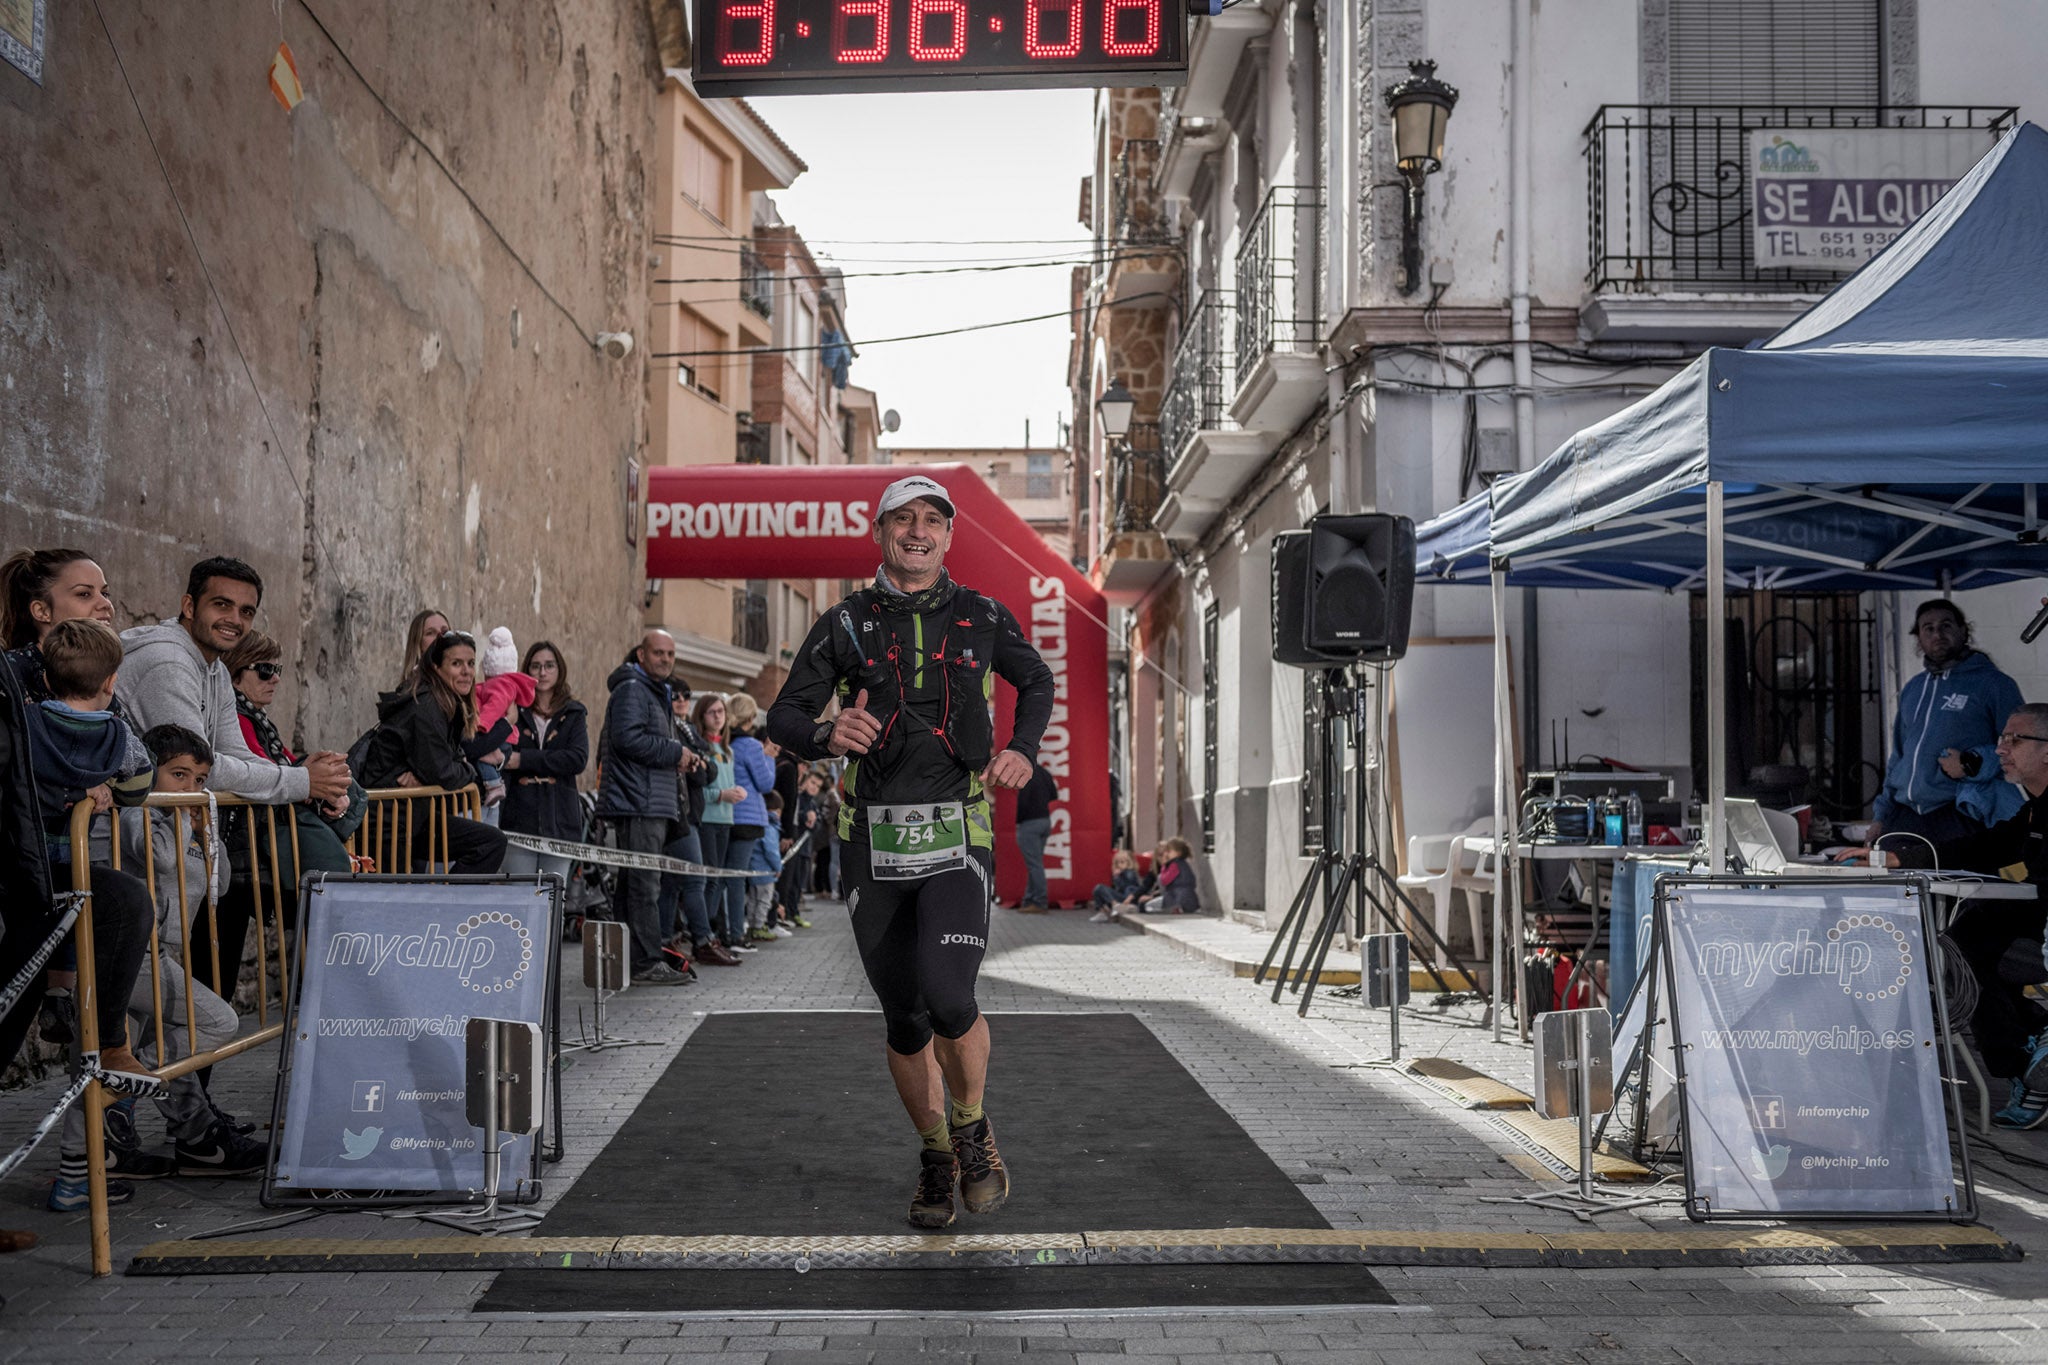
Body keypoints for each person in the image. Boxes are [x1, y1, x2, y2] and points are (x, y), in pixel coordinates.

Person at [767, 473, 1054, 1230]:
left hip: (959, 831)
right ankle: (935, 1157)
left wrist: (1023, 749)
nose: (918, 530)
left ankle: (972, 1127)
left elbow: (1036, 677)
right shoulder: (846, 622)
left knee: (951, 996)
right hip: (872, 838)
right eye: (903, 519)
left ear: (950, 536)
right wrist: (828, 735)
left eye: (932, 519)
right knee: (904, 1017)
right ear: (882, 532)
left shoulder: (983, 615)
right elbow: (784, 713)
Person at [119, 558, 353, 1003]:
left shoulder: (212, 666)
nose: (235, 619)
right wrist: (302, 781)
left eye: (246, 611)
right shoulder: (167, 662)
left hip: (181, 848)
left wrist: (303, 777)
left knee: (171, 1003)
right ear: (189, 605)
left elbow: (236, 756)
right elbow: (201, 769)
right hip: (134, 846)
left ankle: (164, 1073)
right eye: (222, 604)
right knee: (134, 996)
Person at [1861, 703, 2048, 1128]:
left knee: (1966, 949)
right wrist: (1898, 858)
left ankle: (2026, 1063)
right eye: (2002, 738)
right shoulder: (2034, 806)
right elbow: (1989, 845)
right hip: (2029, 924)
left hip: (2041, 934)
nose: (2000, 749)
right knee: (1960, 942)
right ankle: (2029, 1057)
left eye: (2014, 739)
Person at [110, 724, 269, 1177]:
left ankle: (189, 1138)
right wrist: (183, 816)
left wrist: (206, 832)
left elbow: (213, 884)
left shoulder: (191, 819)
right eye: (178, 775)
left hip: (159, 953)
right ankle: (132, 1092)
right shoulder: (137, 812)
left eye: (199, 780)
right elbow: (159, 858)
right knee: (219, 1021)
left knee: (130, 1043)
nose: (192, 789)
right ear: (150, 771)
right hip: (130, 955)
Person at [223, 631, 361, 924]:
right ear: (235, 673)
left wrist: (323, 777)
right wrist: (309, 779)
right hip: (242, 848)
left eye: (277, 670)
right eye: (264, 670)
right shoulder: (236, 716)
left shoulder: (257, 717)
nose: (275, 678)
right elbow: (264, 770)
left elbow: (289, 767)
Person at [1869, 600, 2024, 850]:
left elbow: (2022, 746)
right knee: (1900, 887)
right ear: (1918, 638)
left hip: (1961, 811)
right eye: (1928, 628)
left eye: (1946, 625)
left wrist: (1971, 763)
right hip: (1906, 816)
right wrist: (1881, 815)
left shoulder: (1994, 684)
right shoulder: (1913, 688)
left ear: (1964, 630)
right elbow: (1898, 756)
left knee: (1962, 888)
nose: (1937, 634)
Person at [357, 630, 508, 875]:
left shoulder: (445, 704)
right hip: (386, 822)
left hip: (413, 817)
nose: (466, 671)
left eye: (470, 663)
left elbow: (447, 766)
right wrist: (460, 771)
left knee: (490, 843)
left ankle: (448, 907)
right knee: (388, 902)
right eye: (456, 664)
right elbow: (445, 771)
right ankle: (445, 907)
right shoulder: (426, 706)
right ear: (437, 668)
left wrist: (436, 773)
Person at [594, 630, 692, 985]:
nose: (665, 659)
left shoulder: (652, 690)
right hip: (638, 801)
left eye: (670, 653)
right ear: (641, 654)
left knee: (634, 885)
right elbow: (627, 739)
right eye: (658, 653)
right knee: (643, 886)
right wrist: (674, 752)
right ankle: (646, 963)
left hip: (650, 799)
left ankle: (628, 961)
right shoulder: (633, 689)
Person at [500, 640, 589, 892]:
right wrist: (529, 760)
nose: (542, 672)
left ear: (559, 669)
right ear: (526, 671)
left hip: (560, 819)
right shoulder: (514, 709)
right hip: (518, 817)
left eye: (549, 665)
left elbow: (576, 759)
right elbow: (504, 754)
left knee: (552, 900)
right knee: (519, 896)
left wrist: (524, 760)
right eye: (536, 666)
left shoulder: (573, 713)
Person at [659, 681, 737, 967]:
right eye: (675, 695)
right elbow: (699, 773)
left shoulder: (687, 730)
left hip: (688, 811)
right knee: (694, 879)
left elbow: (707, 771)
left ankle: (668, 939)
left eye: (686, 695)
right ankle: (702, 940)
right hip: (677, 812)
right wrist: (698, 765)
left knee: (675, 880)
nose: (681, 700)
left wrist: (698, 764)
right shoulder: (670, 726)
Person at [691, 693, 753, 955]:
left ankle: (711, 930)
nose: (718, 716)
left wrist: (735, 792)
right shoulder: (700, 747)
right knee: (708, 878)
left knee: (718, 880)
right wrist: (721, 795)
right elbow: (697, 792)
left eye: (721, 712)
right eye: (712, 712)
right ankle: (703, 933)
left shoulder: (727, 750)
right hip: (706, 820)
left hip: (726, 820)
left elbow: (725, 786)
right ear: (702, 717)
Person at [724, 692, 775, 942]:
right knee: (737, 877)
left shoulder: (725, 743)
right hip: (748, 817)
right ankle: (735, 932)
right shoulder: (752, 746)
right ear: (751, 717)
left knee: (722, 876)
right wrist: (769, 759)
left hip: (725, 815)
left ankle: (724, 928)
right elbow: (765, 783)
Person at [471, 626, 535, 818]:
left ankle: (493, 784)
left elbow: (494, 707)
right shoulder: (501, 685)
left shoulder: (500, 686)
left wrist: (483, 724)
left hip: (495, 733)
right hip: (501, 735)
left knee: (482, 757)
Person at [1012, 760, 1059, 912]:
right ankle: (1029, 901)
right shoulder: (1045, 773)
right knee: (1035, 864)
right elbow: (1054, 794)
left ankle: (1039, 902)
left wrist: (1018, 821)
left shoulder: (1026, 774)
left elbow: (1023, 802)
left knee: (1034, 865)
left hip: (1029, 823)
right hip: (1045, 821)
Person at [1115, 837, 1199, 917]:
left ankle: (1172, 909)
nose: (1165, 855)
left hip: (1178, 899)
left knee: (1146, 906)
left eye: (1168, 852)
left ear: (1178, 853)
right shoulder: (1181, 864)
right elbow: (1146, 885)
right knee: (1145, 903)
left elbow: (1164, 881)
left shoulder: (1175, 864)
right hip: (1183, 897)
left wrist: (1163, 867)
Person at [395, 608, 450, 692]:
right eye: (430, 633)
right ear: (418, 643)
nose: (440, 636)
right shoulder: (414, 690)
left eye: (445, 631)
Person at [1088, 848, 1144, 923]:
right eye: (1118, 862)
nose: (1119, 864)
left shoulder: (1129, 872)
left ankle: (1115, 905)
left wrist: (1117, 877)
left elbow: (1124, 886)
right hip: (1122, 897)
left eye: (1122, 862)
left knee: (1100, 887)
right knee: (1097, 889)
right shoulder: (1121, 873)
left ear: (1129, 862)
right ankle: (1102, 912)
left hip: (1127, 898)